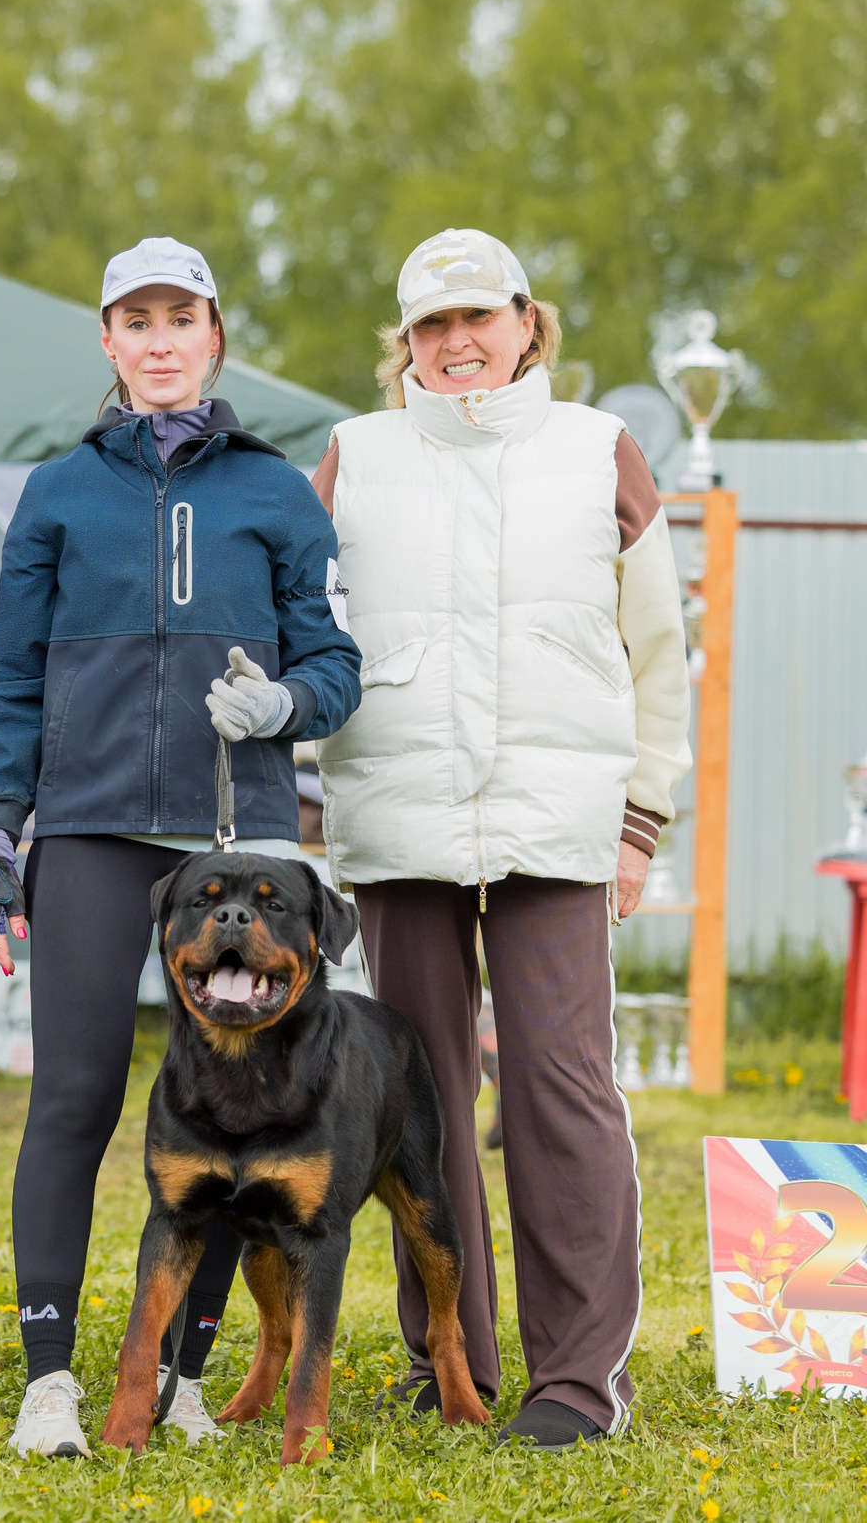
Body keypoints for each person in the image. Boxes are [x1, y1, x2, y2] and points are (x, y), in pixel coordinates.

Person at [0, 238, 362, 1456]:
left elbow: (338, 669)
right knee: (72, 1100)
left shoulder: (278, 492)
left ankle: (184, 1374)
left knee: (235, 1114)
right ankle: (49, 1381)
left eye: (178, 317)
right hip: (86, 833)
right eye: (133, 320)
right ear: (106, 340)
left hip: (231, 846)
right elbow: (14, 680)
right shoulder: (56, 491)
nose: (158, 340)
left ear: (213, 332)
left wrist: (280, 707)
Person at [312, 228, 689, 1451]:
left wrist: (640, 819)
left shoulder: (598, 452)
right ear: (404, 343)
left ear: (529, 322)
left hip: (560, 818)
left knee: (562, 1091)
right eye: (433, 325)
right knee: (416, 1101)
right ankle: (450, 1359)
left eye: (481, 316)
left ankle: (578, 1380)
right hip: (399, 817)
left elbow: (657, 653)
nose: (459, 342)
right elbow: (307, 632)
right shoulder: (352, 458)